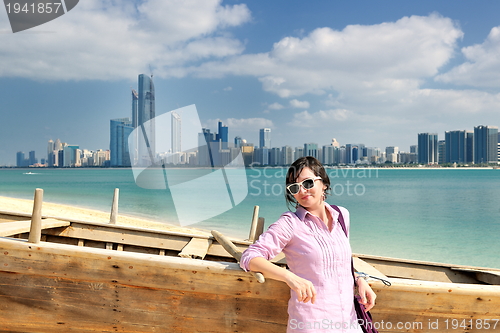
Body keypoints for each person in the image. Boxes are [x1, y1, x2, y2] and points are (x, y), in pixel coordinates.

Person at [240, 156, 376, 332]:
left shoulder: (342, 215)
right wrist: (290, 277)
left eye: (308, 183)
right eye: (295, 187)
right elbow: (249, 257)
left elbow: (338, 261)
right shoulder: (289, 223)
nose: (302, 190)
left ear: (324, 184)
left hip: (349, 323)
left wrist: (359, 280)